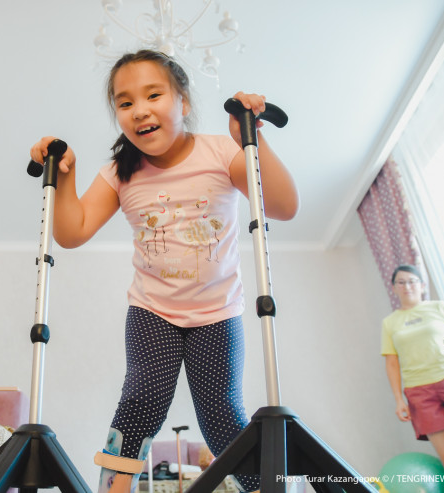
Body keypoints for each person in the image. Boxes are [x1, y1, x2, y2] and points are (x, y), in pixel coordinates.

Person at [30, 49, 299, 493]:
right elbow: (72, 232)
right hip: (153, 310)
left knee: (221, 416)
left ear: (184, 102)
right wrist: (66, 174)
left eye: (153, 95)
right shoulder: (120, 173)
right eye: (125, 102)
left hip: (217, 311)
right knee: (141, 400)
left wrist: (251, 141)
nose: (140, 110)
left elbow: (285, 206)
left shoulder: (221, 152)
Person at [381, 264, 444, 491]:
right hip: (420, 393)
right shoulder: (390, 323)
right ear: (394, 288)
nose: (406, 286)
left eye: (411, 281)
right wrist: (399, 400)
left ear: (422, 285)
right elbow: (392, 362)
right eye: (401, 282)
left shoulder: (439, 307)